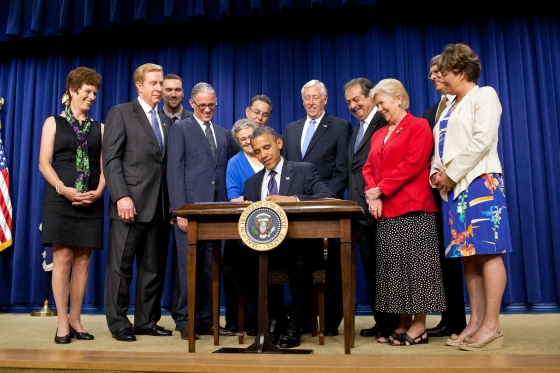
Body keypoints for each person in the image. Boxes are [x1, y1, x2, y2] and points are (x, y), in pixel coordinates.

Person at [223, 126, 335, 348]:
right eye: (257, 151)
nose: (263, 155)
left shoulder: (304, 170)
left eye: (267, 147)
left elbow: (327, 196)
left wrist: (293, 198)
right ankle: (274, 318)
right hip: (267, 248)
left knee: (300, 265)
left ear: (279, 144)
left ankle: (296, 323)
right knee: (232, 266)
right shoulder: (252, 183)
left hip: (300, 247)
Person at [431, 43, 512, 351]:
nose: (441, 77)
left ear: (462, 72)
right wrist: (436, 175)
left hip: (480, 183)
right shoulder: (448, 106)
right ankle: (476, 321)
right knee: (469, 256)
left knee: (489, 252)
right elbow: (440, 146)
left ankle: (492, 326)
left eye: (446, 73)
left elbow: (482, 139)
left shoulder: (484, 95)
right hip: (454, 190)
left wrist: (450, 174)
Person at [363, 78, 446, 346]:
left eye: (382, 103)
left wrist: (380, 190)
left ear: (398, 99)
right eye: (377, 105)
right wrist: (373, 194)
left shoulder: (419, 126)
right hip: (387, 211)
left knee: (417, 269)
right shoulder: (378, 134)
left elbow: (414, 163)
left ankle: (420, 325)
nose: (379, 109)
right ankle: (403, 322)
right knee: (394, 270)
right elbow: (368, 168)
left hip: (414, 208)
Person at [103, 63, 172, 342]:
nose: (159, 88)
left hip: (159, 206)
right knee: (120, 267)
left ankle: (146, 320)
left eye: (161, 84)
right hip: (129, 204)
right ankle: (119, 322)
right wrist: (121, 196)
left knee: (152, 268)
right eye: (153, 83)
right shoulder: (121, 112)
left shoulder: (167, 120)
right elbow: (111, 159)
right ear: (139, 86)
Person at [39, 67, 105, 344]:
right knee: (63, 258)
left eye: (94, 92)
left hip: (89, 201)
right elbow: (44, 163)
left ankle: (77, 319)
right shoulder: (53, 122)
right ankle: (62, 323)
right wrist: (63, 189)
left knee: (83, 261)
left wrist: (99, 191)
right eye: (87, 91)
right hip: (59, 198)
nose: (91, 96)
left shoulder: (100, 128)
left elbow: (104, 167)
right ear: (72, 91)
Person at [167, 82, 235, 339]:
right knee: (189, 267)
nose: (207, 110)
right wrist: (180, 211)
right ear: (192, 104)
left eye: (211, 105)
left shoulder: (222, 132)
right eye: (202, 105)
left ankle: (207, 320)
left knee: (210, 267)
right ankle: (187, 320)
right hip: (191, 210)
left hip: (216, 210)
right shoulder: (180, 129)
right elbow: (175, 171)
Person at [282, 79, 350, 336]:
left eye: (315, 97)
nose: (311, 102)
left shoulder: (340, 127)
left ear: (325, 100)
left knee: (332, 264)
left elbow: (342, 169)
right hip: (296, 209)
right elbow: (287, 168)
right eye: (307, 98)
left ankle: (331, 321)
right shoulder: (290, 129)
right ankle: (303, 318)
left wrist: (325, 199)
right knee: (299, 263)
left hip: (326, 207)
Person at [343, 78, 399, 340]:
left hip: (383, 209)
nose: (353, 106)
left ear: (370, 97)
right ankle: (381, 321)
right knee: (372, 270)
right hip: (361, 212)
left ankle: (393, 324)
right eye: (349, 102)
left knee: (387, 270)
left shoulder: (384, 122)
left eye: (357, 99)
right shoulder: (356, 130)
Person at [422, 55, 468, 339]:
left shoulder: (466, 102)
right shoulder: (430, 112)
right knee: (442, 258)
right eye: (431, 73)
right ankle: (447, 317)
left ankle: (460, 320)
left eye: (438, 71)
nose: (435, 76)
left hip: (460, 186)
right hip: (435, 191)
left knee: (460, 258)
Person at [158, 73, 193, 325]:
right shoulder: (153, 119)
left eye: (177, 90)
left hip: (184, 201)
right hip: (156, 201)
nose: (173, 94)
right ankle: (150, 318)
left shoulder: (194, 120)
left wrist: (179, 207)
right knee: (155, 262)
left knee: (186, 262)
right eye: (168, 89)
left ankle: (184, 315)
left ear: (184, 93)